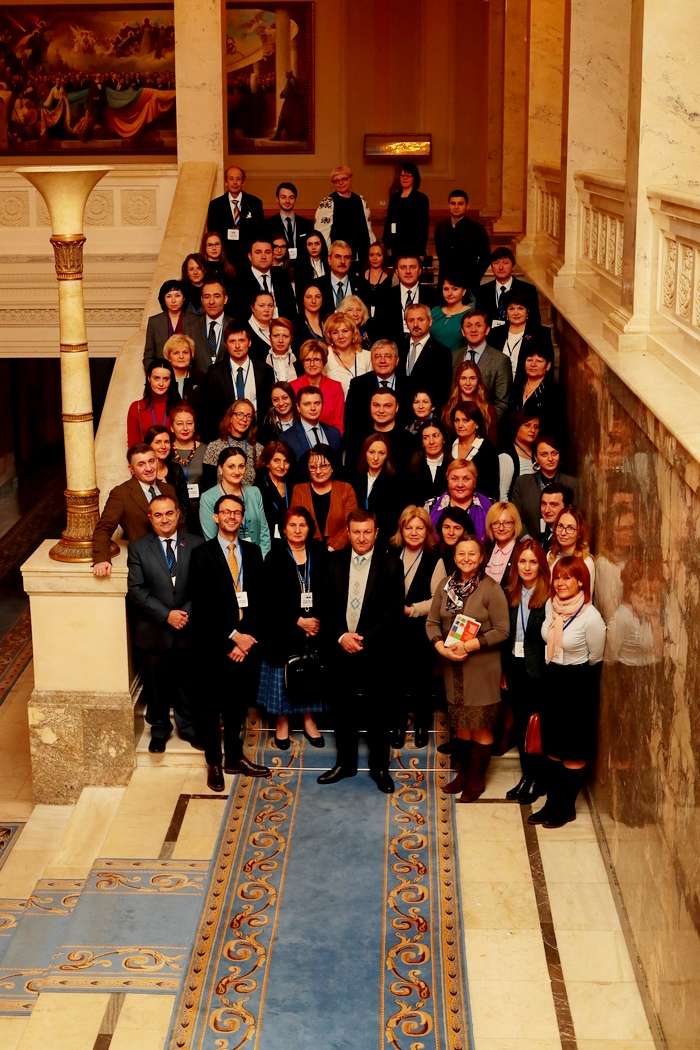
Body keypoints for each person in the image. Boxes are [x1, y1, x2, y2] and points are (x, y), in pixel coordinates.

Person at [318, 509, 404, 793]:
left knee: (378, 712)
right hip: (340, 648)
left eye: (367, 532)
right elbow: (324, 606)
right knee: (342, 710)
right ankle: (345, 764)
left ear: (376, 533)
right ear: (348, 532)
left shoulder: (391, 564)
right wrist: (341, 636)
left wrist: (364, 639)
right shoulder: (332, 562)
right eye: (357, 532)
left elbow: (393, 612)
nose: (362, 537)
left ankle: (380, 768)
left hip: (376, 651)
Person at [189, 493, 271, 792]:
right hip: (215, 646)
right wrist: (233, 637)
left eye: (237, 512)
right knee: (211, 708)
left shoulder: (252, 552)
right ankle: (214, 762)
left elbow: (260, 599)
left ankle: (235, 758)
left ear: (242, 517)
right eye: (226, 512)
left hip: (246, 646)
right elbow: (202, 605)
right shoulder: (202, 554)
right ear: (216, 517)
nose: (231, 517)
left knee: (237, 706)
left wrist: (247, 639)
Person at [426, 537, 510, 802]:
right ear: (454, 557)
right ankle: (462, 775)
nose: (466, 558)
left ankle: (476, 780)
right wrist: (441, 648)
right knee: (462, 725)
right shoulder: (445, 586)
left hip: (482, 668)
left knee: (480, 727)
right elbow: (432, 622)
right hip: (452, 667)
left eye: (471, 554)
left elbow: (502, 630)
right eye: (461, 553)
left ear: (481, 557)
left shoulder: (491, 589)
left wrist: (471, 645)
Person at [529, 557, 606, 828]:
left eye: (568, 578)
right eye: (558, 577)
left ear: (581, 582)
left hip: (577, 685)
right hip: (552, 680)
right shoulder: (551, 605)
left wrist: (577, 679)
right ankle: (551, 804)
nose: (561, 583)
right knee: (552, 747)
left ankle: (566, 807)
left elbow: (596, 657)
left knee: (572, 750)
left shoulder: (590, 617)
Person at [126, 494, 203, 751]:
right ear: (150, 518)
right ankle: (159, 729)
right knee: (156, 683)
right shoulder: (139, 548)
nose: (165, 519)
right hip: (154, 629)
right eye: (158, 515)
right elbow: (137, 590)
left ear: (178, 514)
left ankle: (188, 727)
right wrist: (166, 615)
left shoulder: (196, 544)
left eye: (169, 513)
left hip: (188, 625)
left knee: (188, 680)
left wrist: (184, 613)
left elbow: (202, 585)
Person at [257, 506, 326, 750]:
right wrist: (297, 620)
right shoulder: (274, 557)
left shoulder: (319, 552)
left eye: (302, 525)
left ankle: (309, 719)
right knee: (284, 677)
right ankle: (282, 722)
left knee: (309, 674)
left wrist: (315, 620)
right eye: (292, 525)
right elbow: (268, 600)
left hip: (314, 628)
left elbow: (329, 589)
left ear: (309, 528)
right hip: (282, 630)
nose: (297, 530)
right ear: (284, 530)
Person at [502, 538, 550, 803]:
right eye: (522, 561)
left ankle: (538, 779)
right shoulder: (510, 593)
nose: (527, 567)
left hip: (539, 671)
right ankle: (527, 777)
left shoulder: (549, 596)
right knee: (521, 725)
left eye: (533, 561)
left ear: (541, 565)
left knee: (536, 727)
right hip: (515, 666)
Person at [388, 506, 441, 748]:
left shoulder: (434, 558)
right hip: (393, 629)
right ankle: (398, 724)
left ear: (427, 531)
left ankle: (421, 725)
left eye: (419, 528)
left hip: (420, 628)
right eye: (409, 527)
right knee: (395, 679)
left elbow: (438, 600)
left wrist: (413, 610)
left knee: (422, 680)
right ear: (401, 530)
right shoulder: (390, 553)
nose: (414, 532)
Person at [92, 444, 177, 576]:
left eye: (151, 461)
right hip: (145, 560)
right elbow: (104, 528)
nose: (148, 468)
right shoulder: (121, 494)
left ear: (157, 461)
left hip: (174, 555)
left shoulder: (168, 489)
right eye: (141, 464)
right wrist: (101, 559)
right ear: (131, 469)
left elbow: (179, 523)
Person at [202, 321, 274, 440]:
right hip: (225, 437)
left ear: (249, 342)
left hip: (258, 437)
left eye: (241, 340)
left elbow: (268, 409)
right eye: (232, 341)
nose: (237, 346)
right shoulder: (214, 373)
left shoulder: (265, 371)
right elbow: (209, 412)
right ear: (226, 344)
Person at [199, 446, 270, 555]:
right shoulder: (208, 498)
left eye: (241, 466)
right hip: (228, 558)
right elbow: (211, 539)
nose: (237, 472)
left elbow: (264, 533)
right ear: (220, 469)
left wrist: (261, 559)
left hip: (258, 557)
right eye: (231, 466)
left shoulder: (254, 492)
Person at [290, 444, 357, 551]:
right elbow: (295, 522)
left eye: (323, 466)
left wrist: (333, 546)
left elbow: (352, 524)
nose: (318, 471)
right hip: (307, 550)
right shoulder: (299, 490)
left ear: (332, 467)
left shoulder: (346, 489)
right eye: (313, 467)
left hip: (339, 550)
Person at [511, 433, 577, 538]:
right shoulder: (522, 483)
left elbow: (576, 518)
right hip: (529, 542)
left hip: (562, 541)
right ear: (536, 457)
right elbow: (515, 517)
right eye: (544, 454)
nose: (550, 459)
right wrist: (527, 540)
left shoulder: (572, 484)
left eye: (554, 453)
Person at [343, 339, 409, 438]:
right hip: (367, 441)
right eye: (377, 356)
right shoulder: (358, 385)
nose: (382, 361)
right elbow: (351, 422)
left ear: (397, 360)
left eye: (388, 356)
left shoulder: (409, 384)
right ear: (371, 360)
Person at [453, 309, 512, 420]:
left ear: (487, 330)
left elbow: (502, 403)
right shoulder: (454, 356)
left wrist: (483, 423)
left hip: (486, 424)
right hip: (456, 423)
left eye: (478, 325)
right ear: (463, 332)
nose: (473, 330)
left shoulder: (501, 360)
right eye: (468, 326)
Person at [206, 164, 265, 267]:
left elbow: (260, 233)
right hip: (224, 259)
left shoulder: (255, 203)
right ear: (226, 182)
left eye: (238, 179)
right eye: (231, 179)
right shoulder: (215, 205)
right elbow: (213, 233)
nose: (235, 182)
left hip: (248, 259)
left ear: (243, 182)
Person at [434, 188, 491, 291]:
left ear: (467, 206)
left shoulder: (477, 229)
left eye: (460, 204)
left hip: (468, 284)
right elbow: (440, 255)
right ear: (449, 205)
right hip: (445, 284)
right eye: (453, 203)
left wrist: (474, 277)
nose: (456, 207)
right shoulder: (441, 228)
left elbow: (486, 257)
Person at [351, 433, 404, 544]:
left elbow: (394, 517)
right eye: (371, 452)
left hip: (384, 539)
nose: (376, 458)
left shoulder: (396, 483)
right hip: (357, 537)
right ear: (364, 453)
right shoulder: (354, 478)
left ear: (387, 455)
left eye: (381, 453)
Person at [315, 166, 374, 263]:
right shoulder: (328, 203)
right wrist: (330, 257)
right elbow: (322, 234)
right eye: (336, 181)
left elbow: (368, 230)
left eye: (344, 179)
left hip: (362, 256)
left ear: (350, 179)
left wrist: (372, 251)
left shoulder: (360, 200)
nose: (341, 183)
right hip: (340, 258)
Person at [373, 254, 436, 347]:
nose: (408, 271)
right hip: (393, 349)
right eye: (403, 267)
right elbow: (379, 328)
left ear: (419, 271)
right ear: (396, 272)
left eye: (412, 267)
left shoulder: (433, 295)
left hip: (425, 349)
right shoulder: (384, 296)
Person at [399, 303, 453, 411]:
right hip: (401, 411)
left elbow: (443, 389)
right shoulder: (399, 347)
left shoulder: (442, 352)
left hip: (428, 412)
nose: (415, 324)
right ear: (406, 323)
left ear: (430, 321)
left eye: (420, 320)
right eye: (411, 320)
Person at [486, 294, 554, 379]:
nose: (516, 313)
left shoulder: (541, 333)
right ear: (506, 313)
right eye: (511, 309)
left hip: (526, 383)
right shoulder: (495, 333)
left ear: (527, 312)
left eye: (520, 308)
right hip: (498, 382)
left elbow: (548, 367)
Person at [202, 399, 264, 490]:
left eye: (248, 416)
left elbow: (260, 486)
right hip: (221, 498)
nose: (244, 419)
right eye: (240, 414)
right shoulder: (214, 447)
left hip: (248, 497)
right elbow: (208, 485)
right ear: (230, 417)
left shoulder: (258, 449)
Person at [507, 343, 565, 440]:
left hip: (539, 442)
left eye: (539, 361)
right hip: (513, 440)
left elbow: (555, 425)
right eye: (529, 360)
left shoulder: (553, 391)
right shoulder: (516, 387)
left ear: (548, 366)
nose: (533, 364)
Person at [476, 246, 541, 328]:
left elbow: (535, 321)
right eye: (496, 263)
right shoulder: (482, 291)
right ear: (491, 266)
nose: (501, 267)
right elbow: (479, 321)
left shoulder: (528, 290)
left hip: (519, 334)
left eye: (505, 263)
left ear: (513, 266)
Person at [428, 458, 492, 541]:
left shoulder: (489, 507)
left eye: (466, 479)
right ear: (447, 481)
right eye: (454, 479)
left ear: (474, 482)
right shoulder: (431, 506)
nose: (460, 484)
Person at [236, 237, 297, 322]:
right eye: (258, 252)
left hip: (282, 327)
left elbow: (291, 309)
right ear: (250, 256)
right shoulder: (239, 280)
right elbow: (239, 314)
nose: (263, 256)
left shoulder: (282, 275)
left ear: (273, 255)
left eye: (268, 252)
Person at [290, 341, 345, 433]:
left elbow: (339, 423)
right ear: (302, 363)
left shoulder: (335, 387)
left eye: (316, 360)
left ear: (324, 362)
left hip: (330, 438)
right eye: (307, 360)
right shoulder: (292, 386)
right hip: (300, 438)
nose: (312, 364)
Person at [448, 402, 499, 499]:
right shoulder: (449, 446)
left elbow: (491, 487)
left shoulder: (487, 449)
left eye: (465, 420)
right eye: (457, 420)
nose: (460, 425)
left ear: (477, 424)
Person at [143, 279, 198, 368]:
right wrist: (156, 372)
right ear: (163, 299)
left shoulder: (196, 320)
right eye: (168, 296)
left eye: (177, 295)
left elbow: (199, 354)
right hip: (162, 373)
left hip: (189, 372)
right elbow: (148, 356)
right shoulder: (154, 322)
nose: (173, 300)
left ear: (184, 298)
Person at [283, 386, 343, 467]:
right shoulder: (287, 438)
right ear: (298, 407)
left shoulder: (334, 433)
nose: (313, 408)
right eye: (307, 404)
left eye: (317, 403)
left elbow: (338, 467)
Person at [170, 402, 206, 533]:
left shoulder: (205, 449)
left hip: (201, 509)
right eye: (179, 424)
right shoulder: (166, 451)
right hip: (173, 511)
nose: (185, 428)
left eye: (189, 423)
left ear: (194, 426)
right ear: (172, 427)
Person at [382, 162, 430, 262]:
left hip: (414, 245)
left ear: (414, 178)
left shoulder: (421, 198)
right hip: (396, 246)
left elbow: (423, 226)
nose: (404, 178)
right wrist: (389, 243)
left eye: (408, 175)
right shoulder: (394, 198)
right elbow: (392, 222)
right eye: (402, 175)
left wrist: (421, 250)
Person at [127, 359, 179, 447]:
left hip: (173, 456)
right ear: (149, 378)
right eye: (156, 378)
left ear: (171, 381)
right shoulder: (136, 407)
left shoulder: (180, 407)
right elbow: (133, 446)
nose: (161, 383)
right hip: (146, 455)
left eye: (166, 379)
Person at [313, 239, 372, 316]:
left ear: (350, 261)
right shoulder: (317, 286)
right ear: (329, 260)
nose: (342, 261)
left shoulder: (363, 285)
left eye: (347, 257)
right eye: (338, 257)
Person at [443, 360, 496, 443]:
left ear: (478, 380)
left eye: (472, 378)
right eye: (463, 378)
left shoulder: (488, 410)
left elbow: (492, 442)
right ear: (458, 380)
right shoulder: (449, 409)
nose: (468, 383)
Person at [189, 278, 235, 373]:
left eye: (217, 296)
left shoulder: (236, 326)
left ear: (225, 299)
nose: (211, 302)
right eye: (207, 297)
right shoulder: (190, 327)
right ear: (202, 300)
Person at [145, 424, 189, 518]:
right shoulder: (144, 472)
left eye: (166, 442)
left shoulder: (176, 469)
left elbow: (184, 504)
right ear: (148, 445)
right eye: (158, 442)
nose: (163, 446)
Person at [548, 505, 596, 593]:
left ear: (579, 533)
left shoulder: (586, 562)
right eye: (560, 526)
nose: (563, 533)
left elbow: (586, 597)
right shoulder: (551, 556)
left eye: (570, 528)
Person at [323, 312, 372, 395]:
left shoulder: (367, 356)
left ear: (353, 333)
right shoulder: (325, 356)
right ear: (329, 336)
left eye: (345, 331)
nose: (341, 336)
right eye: (335, 332)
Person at [497, 411, 541, 500]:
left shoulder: (539, 453)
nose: (533, 430)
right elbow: (503, 495)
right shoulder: (507, 457)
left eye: (536, 427)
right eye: (527, 425)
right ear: (516, 427)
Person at [266, 181, 314, 260]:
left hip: (302, 265)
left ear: (295, 199)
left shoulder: (307, 224)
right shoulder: (267, 224)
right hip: (279, 265)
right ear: (277, 199)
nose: (287, 201)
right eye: (283, 197)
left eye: (291, 197)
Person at [256, 440, 294, 540]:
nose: (282, 466)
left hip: (292, 535)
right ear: (267, 463)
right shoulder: (258, 488)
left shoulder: (293, 485)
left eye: (286, 461)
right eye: (276, 461)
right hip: (267, 538)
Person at [407, 421, 451, 505]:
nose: (431, 442)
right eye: (426, 438)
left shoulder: (453, 465)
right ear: (422, 443)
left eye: (435, 436)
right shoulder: (412, 467)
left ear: (444, 439)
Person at [430, 274, 476, 352]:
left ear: (464, 292)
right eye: (446, 289)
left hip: (458, 358)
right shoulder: (435, 311)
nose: (450, 293)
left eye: (455, 289)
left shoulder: (471, 314)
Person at [483, 501, 523, 586]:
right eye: (496, 523)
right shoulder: (485, 549)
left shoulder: (522, 551)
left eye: (507, 523)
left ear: (515, 524)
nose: (501, 528)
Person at [162, 333, 204, 407]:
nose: (181, 356)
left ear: (191, 355)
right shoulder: (162, 379)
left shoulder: (201, 379)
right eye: (176, 353)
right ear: (169, 357)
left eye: (185, 352)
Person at [200, 229, 237, 297]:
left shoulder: (229, 268)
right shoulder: (200, 268)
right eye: (210, 245)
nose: (214, 248)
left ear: (221, 246)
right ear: (204, 247)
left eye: (217, 244)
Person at [264, 317, 301, 383]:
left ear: (291, 338)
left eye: (285, 336)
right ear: (270, 338)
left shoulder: (299, 360)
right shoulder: (263, 360)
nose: (280, 340)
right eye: (276, 336)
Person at [538, 483, 570, 552]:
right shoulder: (541, 533)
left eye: (553, 505)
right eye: (544, 504)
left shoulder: (568, 539)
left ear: (566, 507)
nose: (546, 510)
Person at [294, 283, 325, 348]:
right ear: (302, 299)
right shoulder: (295, 324)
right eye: (308, 297)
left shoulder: (328, 320)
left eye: (318, 297)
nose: (313, 301)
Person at [363, 242, 391, 314]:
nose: (374, 258)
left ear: (384, 256)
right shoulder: (361, 276)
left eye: (378, 255)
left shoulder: (392, 277)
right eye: (371, 255)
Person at [246, 291, 274, 360]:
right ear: (252, 308)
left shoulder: (279, 327)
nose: (267, 309)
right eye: (261, 306)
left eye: (270, 306)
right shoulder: (244, 330)